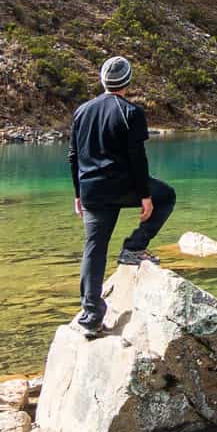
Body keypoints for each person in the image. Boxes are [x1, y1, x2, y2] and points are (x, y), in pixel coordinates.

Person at [67, 55, 176, 337]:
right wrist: (144, 196)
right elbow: (137, 158)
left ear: (103, 81)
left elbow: (74, 156)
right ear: (127, 82)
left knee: (94, 248)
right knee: (166, 196)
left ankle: (91, 317)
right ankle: (134, 247)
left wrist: (78, 193)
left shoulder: (82, 111)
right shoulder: (131, 112)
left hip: (91, 189)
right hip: (121, 186)